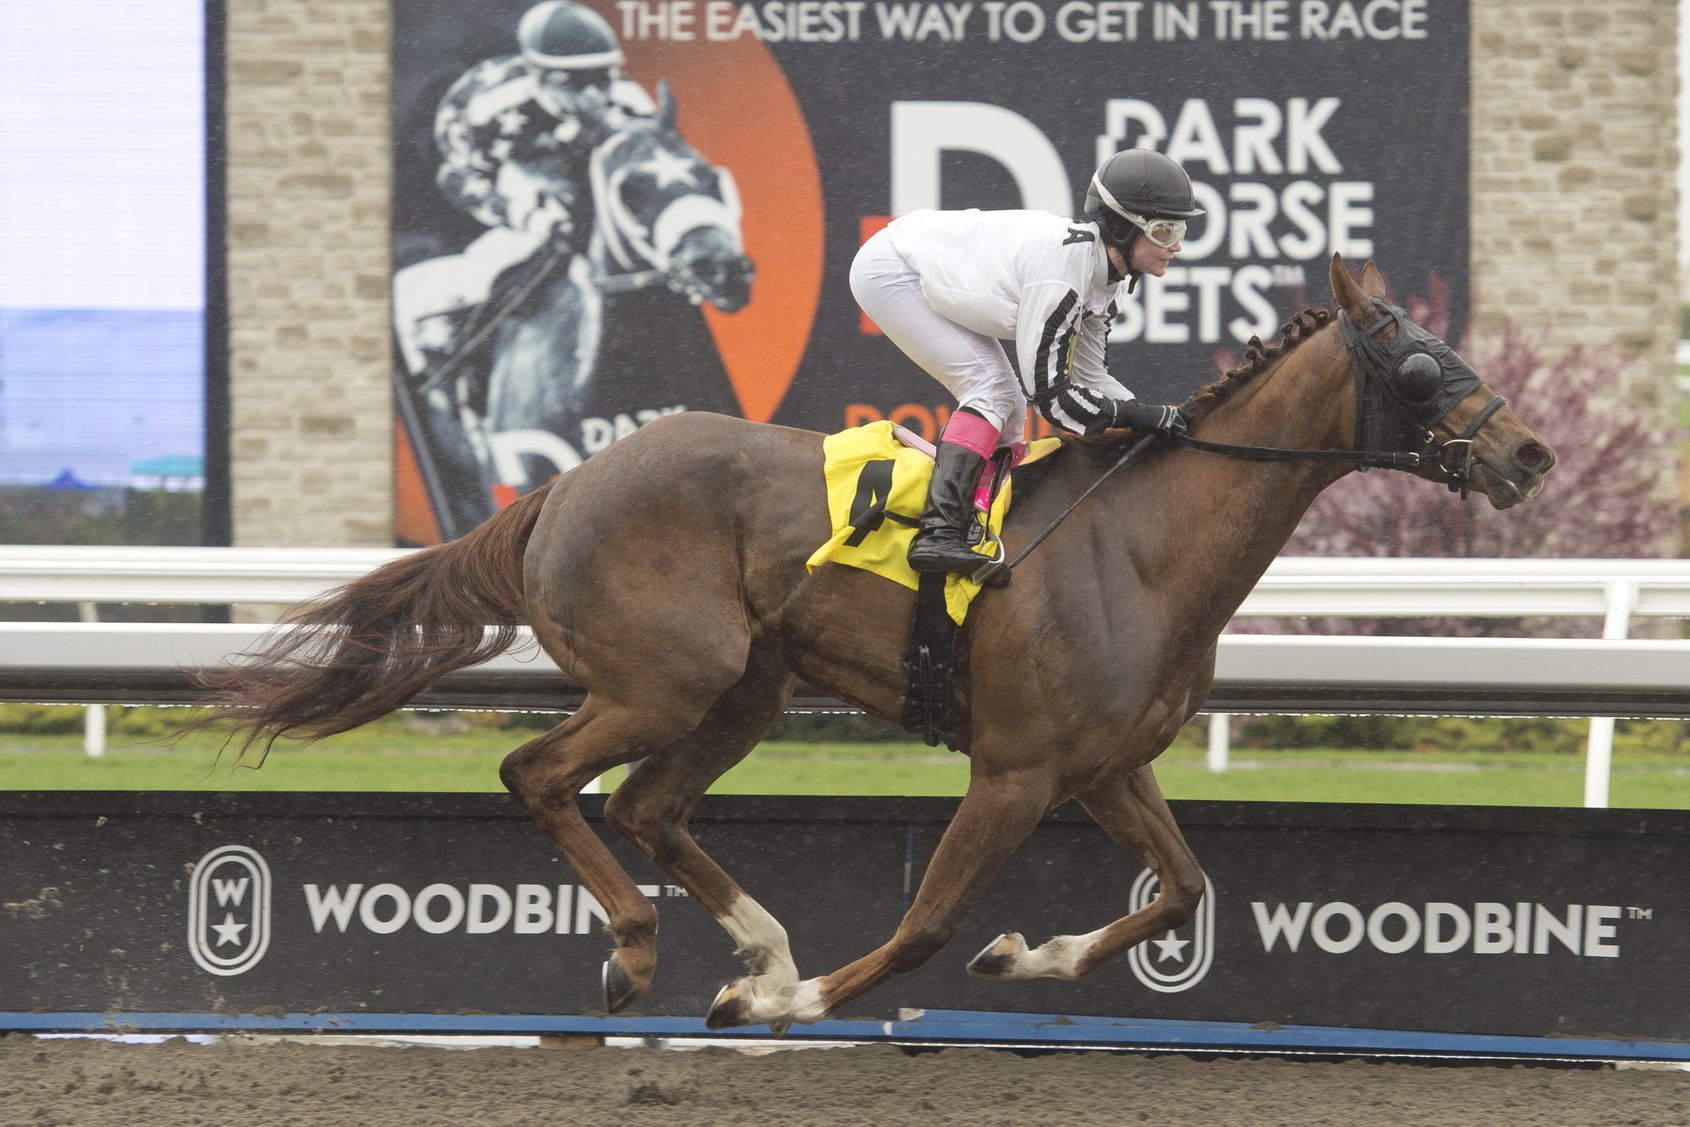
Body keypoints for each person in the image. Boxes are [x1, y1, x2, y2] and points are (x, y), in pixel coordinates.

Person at [849, 149, 1202, 576]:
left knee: (1010, 407)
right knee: (994, 392)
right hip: (891, 269)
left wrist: (1159, 419)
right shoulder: (1063, 276)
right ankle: (938, 533)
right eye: (1164, 231)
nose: (1176, 246)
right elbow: (1053, 400)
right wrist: (1142, 417)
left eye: (1180, 230)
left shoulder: (1104, 281)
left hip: (920, 264)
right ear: (1123, 228)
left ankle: (974, 520)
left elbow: (1091, 377)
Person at [394, 0, 655, 383]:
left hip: (586, 180)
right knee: (508, 257)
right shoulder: (485, 111)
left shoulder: (630, 101)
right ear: (539, 76)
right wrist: (528, 217)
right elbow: (460, 182)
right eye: (577, 83)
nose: (595, 95)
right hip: (510, 182)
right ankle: (456, 345)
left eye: (603, 78)